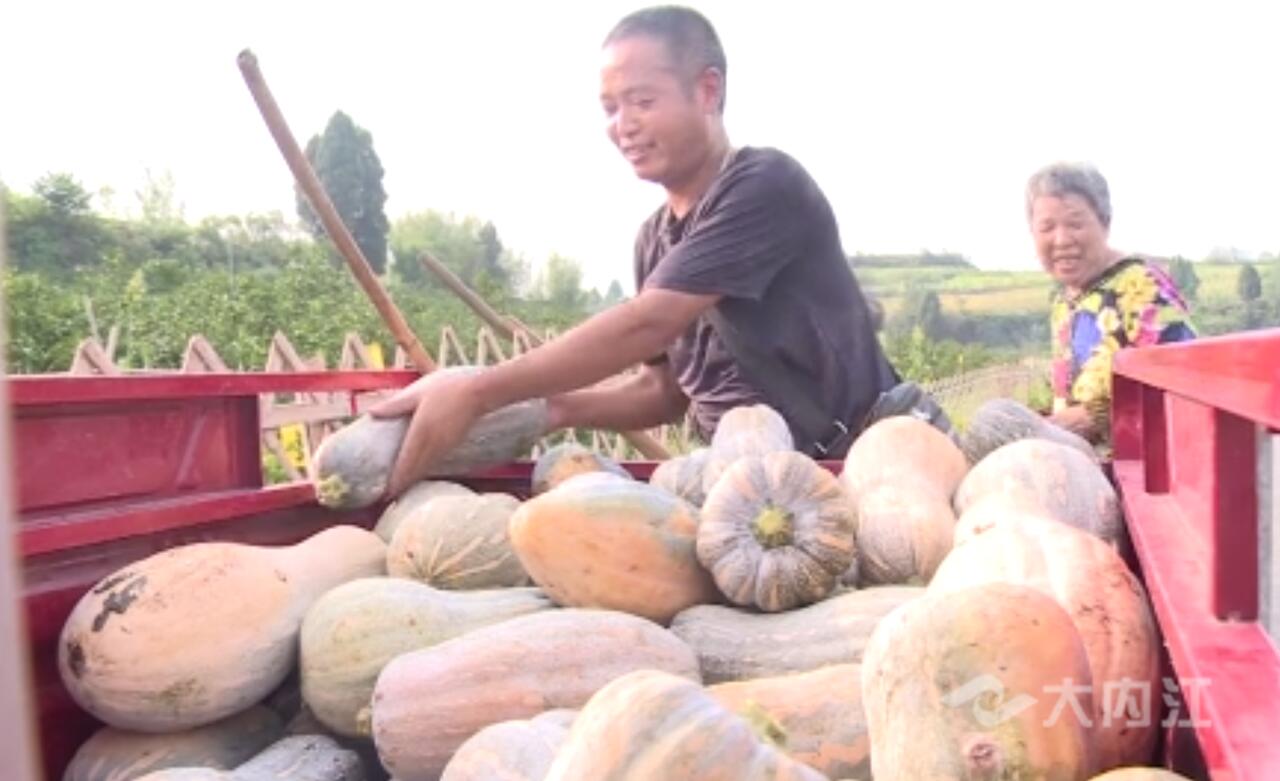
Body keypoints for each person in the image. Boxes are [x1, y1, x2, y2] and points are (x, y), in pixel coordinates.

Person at [371, 5, 930, 497]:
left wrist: (477, 392)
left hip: (867, 471)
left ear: (707, 91)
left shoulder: (765, 185)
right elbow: (665, 391)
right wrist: (554, 410)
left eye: (642, 101)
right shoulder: (653, 239)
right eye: (610, 108)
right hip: (749, 487)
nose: (624, 126)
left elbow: (650, 323)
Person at [1026, 162, 1196, 448]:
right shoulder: (1063, 303)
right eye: (1047, 227)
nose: (1062, 240)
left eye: (1075, 224)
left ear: (1105, 223)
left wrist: (1097, 418)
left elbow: (1187, 385)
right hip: (1076, 464)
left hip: (1146, 468)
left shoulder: (1143, 286)